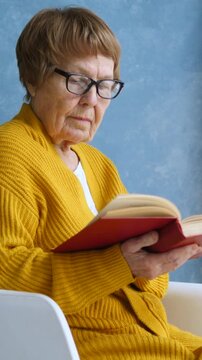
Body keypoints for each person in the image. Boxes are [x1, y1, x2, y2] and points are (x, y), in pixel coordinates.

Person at [0, 6, 202, 359]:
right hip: (86, 345)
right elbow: (5, 272)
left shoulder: (99, 165)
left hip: (151, 334)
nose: (92, 100)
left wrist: (156, 262)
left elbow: (148, 286)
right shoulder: (10, 151)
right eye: (77, 81)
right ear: (33, 78)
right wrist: (120, 265)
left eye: (105, 86)